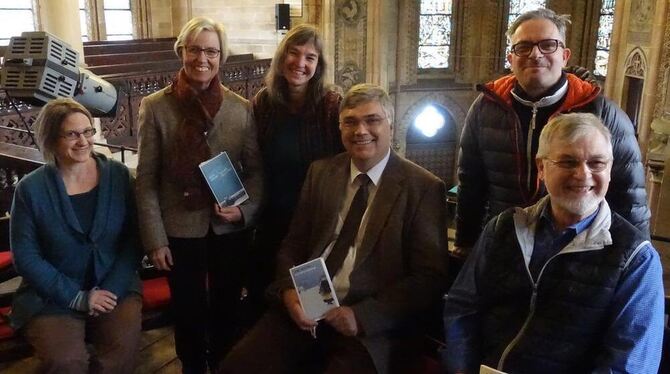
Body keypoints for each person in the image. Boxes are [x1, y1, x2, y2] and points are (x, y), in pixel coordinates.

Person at [221, 84, 448, 374]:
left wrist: (362, 316)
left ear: (390, 123)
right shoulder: (322, 172)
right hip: (308, 303)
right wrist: (289, 291)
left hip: (369, 324)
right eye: (350, 122)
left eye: (372, 120)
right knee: (236, 367)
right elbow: (294, 243)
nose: (360, 130)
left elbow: (429, 277)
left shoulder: (423, 187)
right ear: (340, 128)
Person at [443, 113, 665, 373]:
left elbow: (629, 364)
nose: (583, 174)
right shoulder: (504, 228)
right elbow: (462, 307)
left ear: (610, 168)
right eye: (568, 162)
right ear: (541, 167)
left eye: (597, 163)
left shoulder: (636, 259)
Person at [453, 8, 649, 259]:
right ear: (510, 58)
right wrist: (465, 244)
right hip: (505, 246)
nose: (535, 54)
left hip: (580, 251)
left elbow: (630, 197)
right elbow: (471, 184)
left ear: (565, 55)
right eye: (523, 47)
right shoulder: (485, 108)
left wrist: (637, 260)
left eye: (548, 45)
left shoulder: (604, 113)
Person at [135, 16, 263, 373]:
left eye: (211, 51)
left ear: (221, 57)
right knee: (187, 311)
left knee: (226, 308)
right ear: (181, 51)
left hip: (228, 229)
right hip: (180, 227)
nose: (202, 58)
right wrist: (155, 240)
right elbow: (146, 180)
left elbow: (255, 172)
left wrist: (243, 212)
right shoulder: (156, 107)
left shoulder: (240, 108)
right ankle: (192, 367)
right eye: (195, 49)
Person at [10, 98, 143, 373]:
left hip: (113, 286)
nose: (83, 141)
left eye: (87, 132)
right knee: (67, 362)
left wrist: (113, 288)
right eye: (72, 134)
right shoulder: (30, 189)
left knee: (118, 355)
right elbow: (25, 256)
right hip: (53, 296)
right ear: (51, 139)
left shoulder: (118, 175)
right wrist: (77, 297)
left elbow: (133, 238)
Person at [249, 23, 344, 318]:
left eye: (310, 57)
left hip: (313, 224)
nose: (300, 63)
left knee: (313, 306)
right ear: (282, 56)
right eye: (294, 53)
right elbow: (253, 160)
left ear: (319, 65)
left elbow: (343, 167)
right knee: (266, 296)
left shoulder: (332, 105)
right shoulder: (264, 102)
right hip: (271, 218)